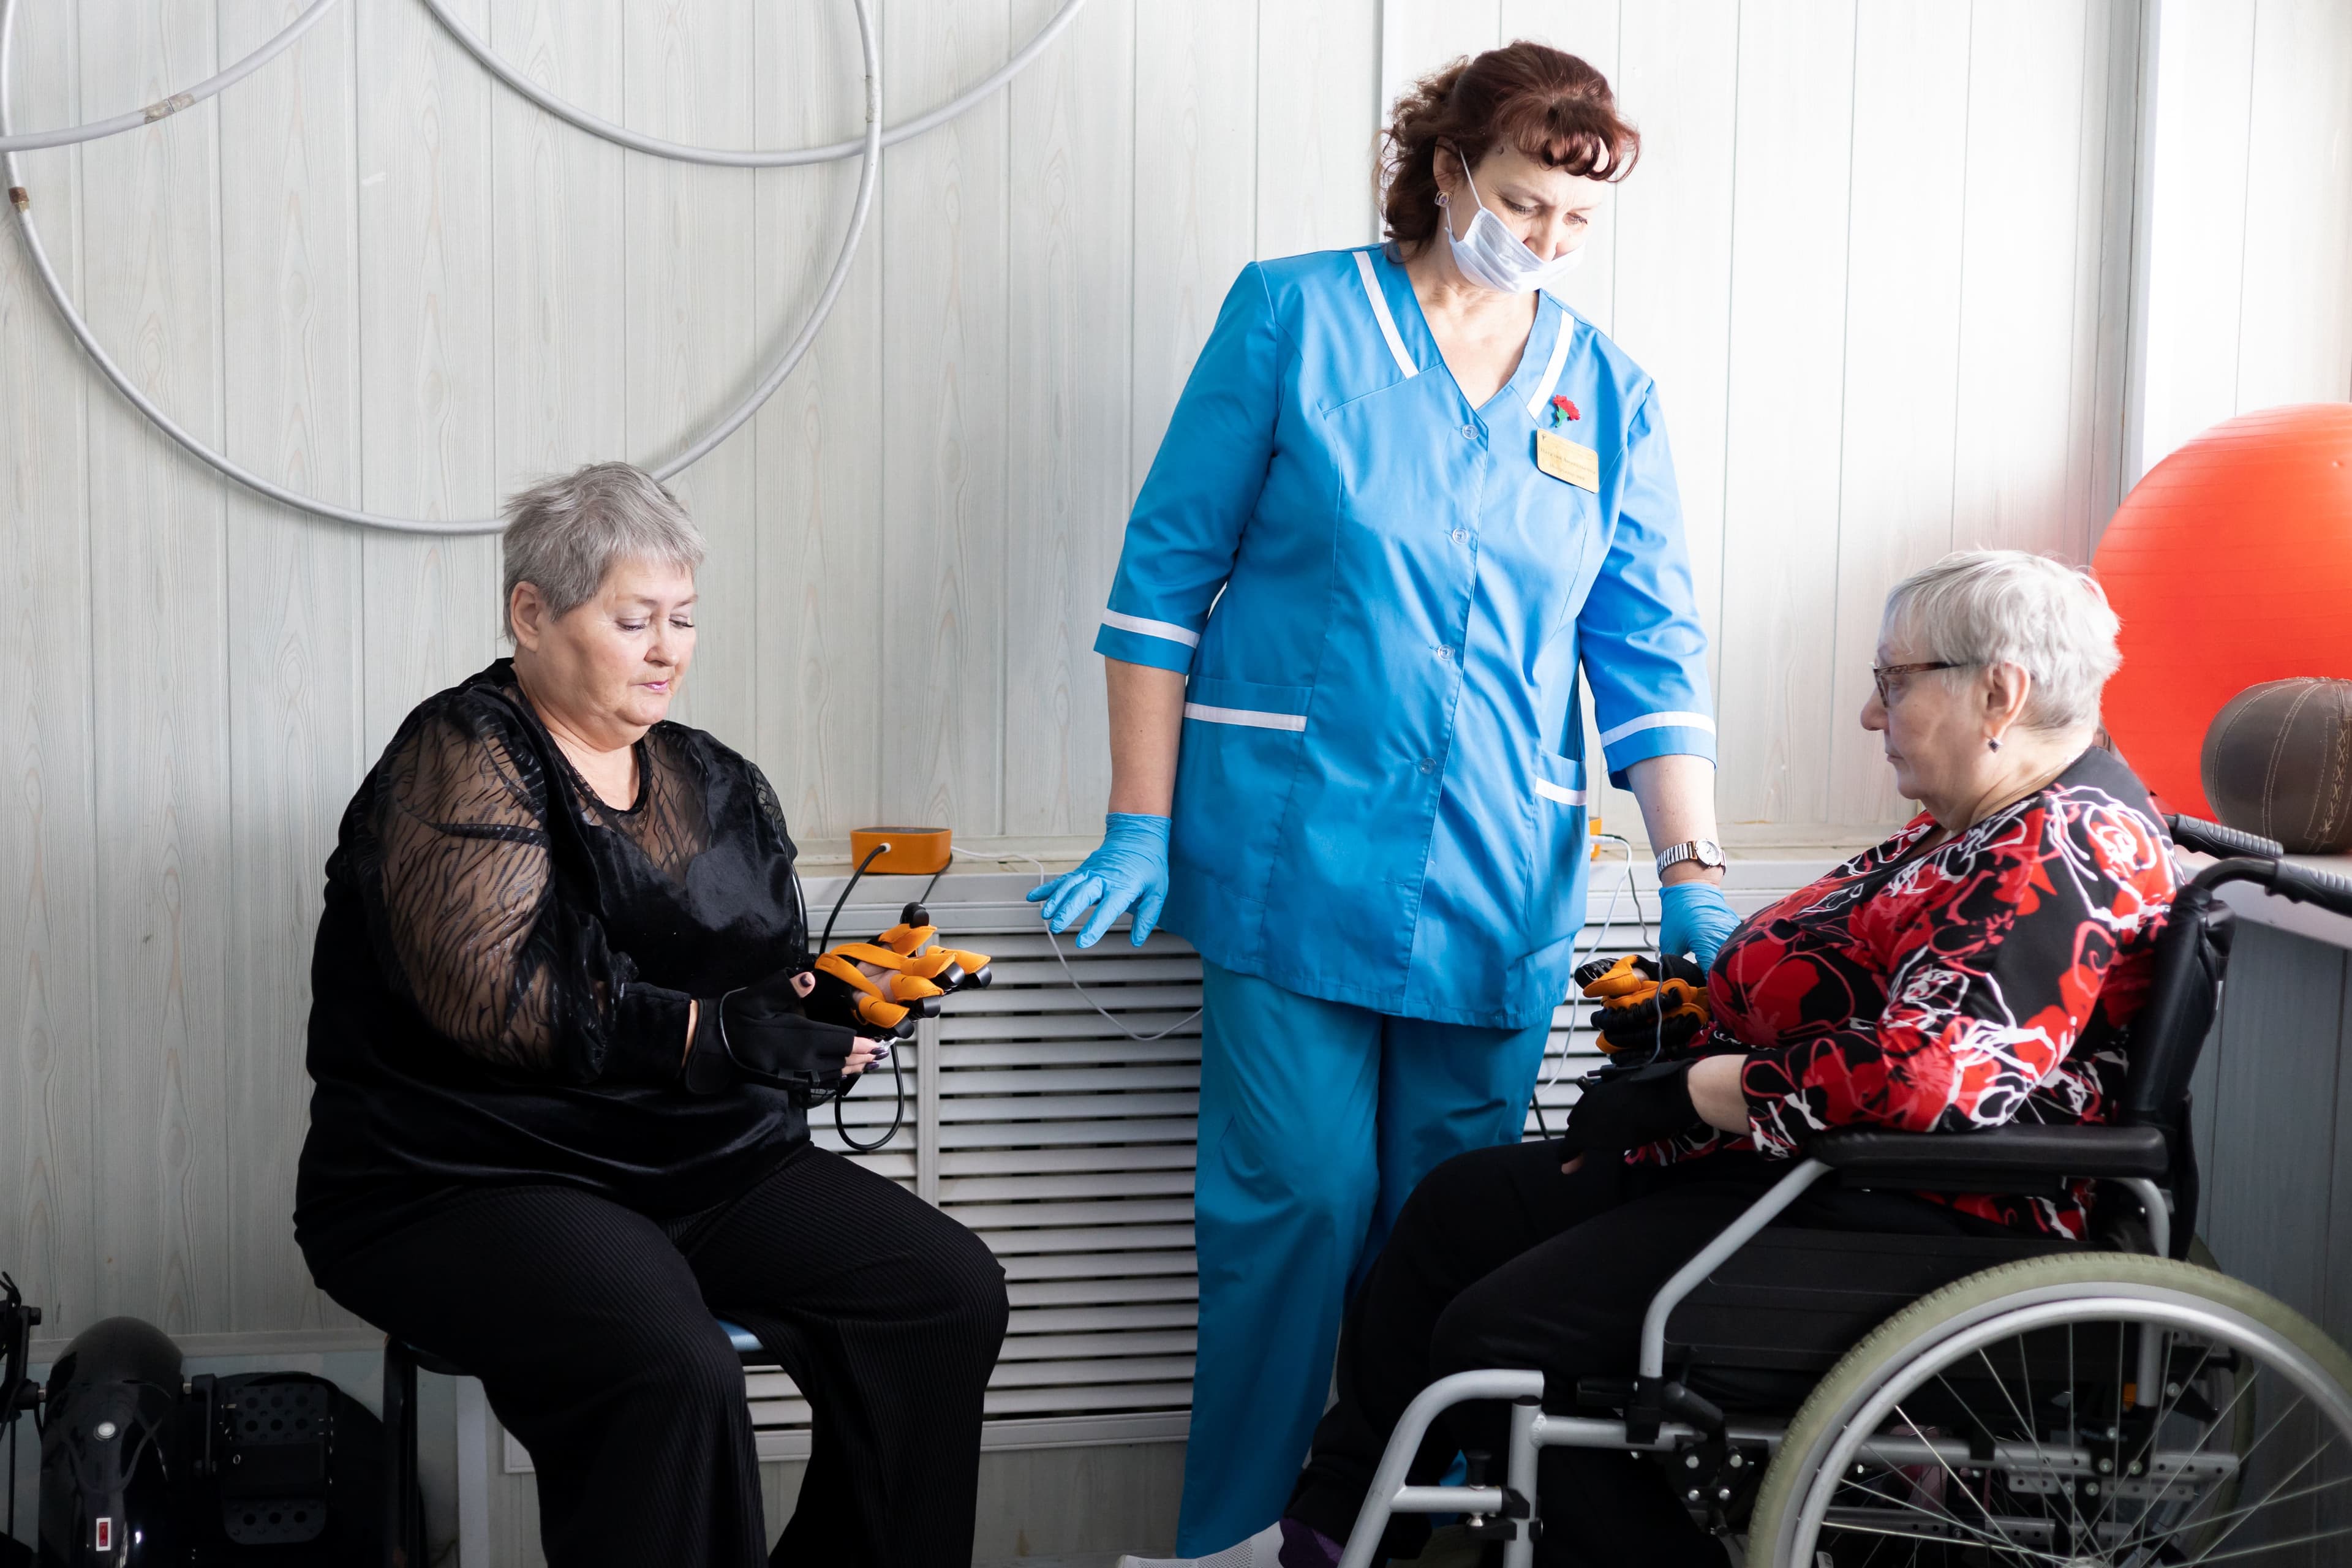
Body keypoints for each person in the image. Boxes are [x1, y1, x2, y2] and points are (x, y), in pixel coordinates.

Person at [1123, 549, 2177, 1568]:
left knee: (1504, 1332)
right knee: (1455, 1212)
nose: (1871, 713)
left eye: (1893, 682)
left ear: (2000, 692)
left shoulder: (2065, 846)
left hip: (1924, 1213)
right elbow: (1868, 992)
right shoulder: (1970, 825)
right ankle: (1320, 1543)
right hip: (1810, 1173)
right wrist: (1691, 1021)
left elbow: (1933, 1076)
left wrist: (1699, 1089)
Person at [1030, 42, 1738, 1555]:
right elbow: (1164, 580)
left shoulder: (1606, 391)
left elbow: (1648, 648)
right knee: (1293, 1206)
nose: (1547, 240)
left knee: (1455, 1228)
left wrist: (1691, 866)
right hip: (1291, 850)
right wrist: (1140, 816)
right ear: (1446, 169)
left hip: (1499, 874)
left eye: (1576, 220)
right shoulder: (1294, 315)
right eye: (1524, 202)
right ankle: (1242, 1537)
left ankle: (1408, 1539)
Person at [293, 463, 1008, 1568]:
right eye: (634, 621)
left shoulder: (716, 779)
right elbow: (493, 994)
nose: (668, 649)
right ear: (531, 613)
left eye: (683, 619)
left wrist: (826, 1016)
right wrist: (706, 1034)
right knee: (674, 1367)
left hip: (700, 1168)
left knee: (944, 1294)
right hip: (470, 1179)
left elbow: (755, 990)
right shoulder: (461, 757)